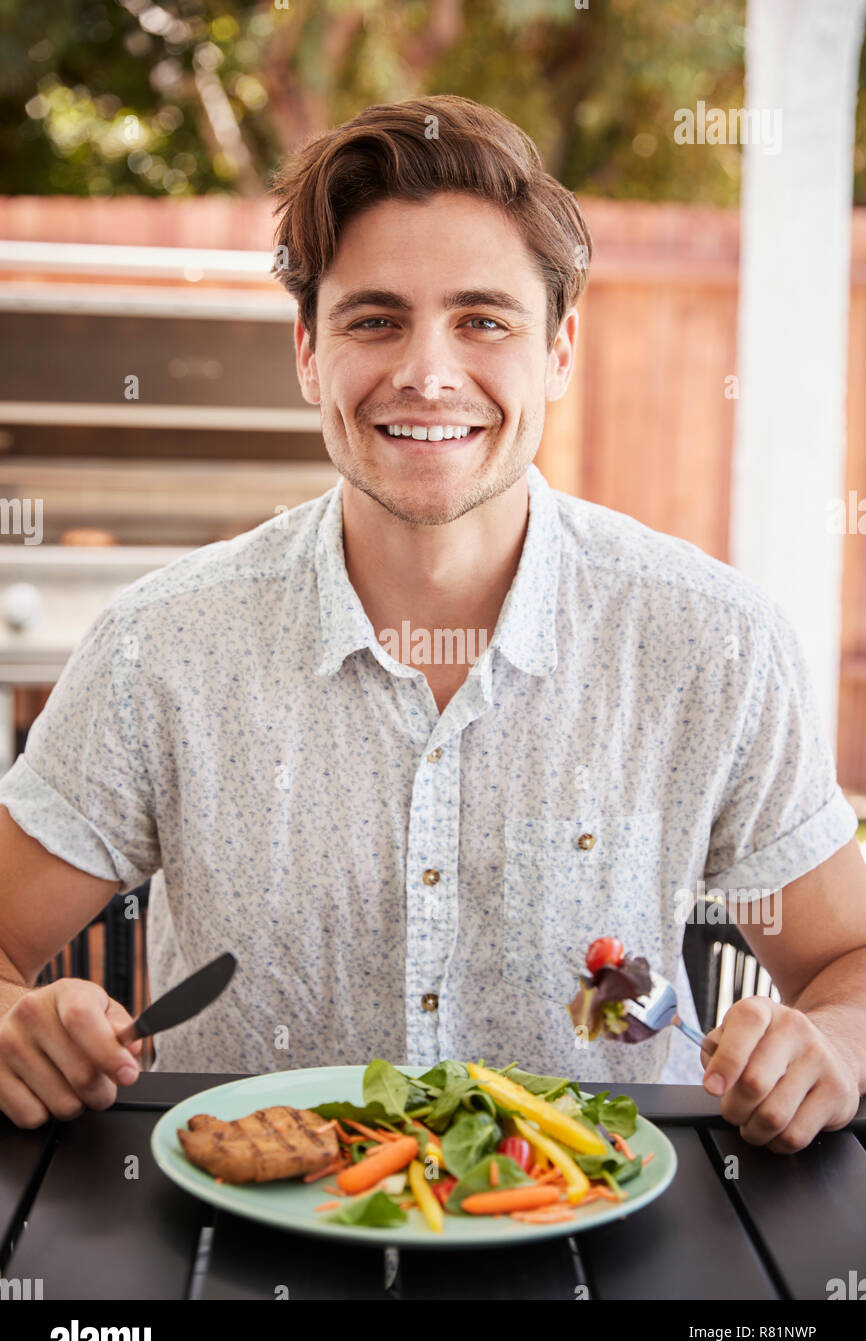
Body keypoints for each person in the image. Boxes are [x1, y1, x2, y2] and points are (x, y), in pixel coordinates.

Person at [0, 95, 864, 1153]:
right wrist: (13, 1021)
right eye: (373, 319)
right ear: (309, 352)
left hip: (606, 1240)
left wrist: (837, 1041)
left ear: (557, 349)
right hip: (243, 1241)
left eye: (482, 319)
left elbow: (843, 963)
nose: (425, 372)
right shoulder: (159, 648)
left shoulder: (710, 643)